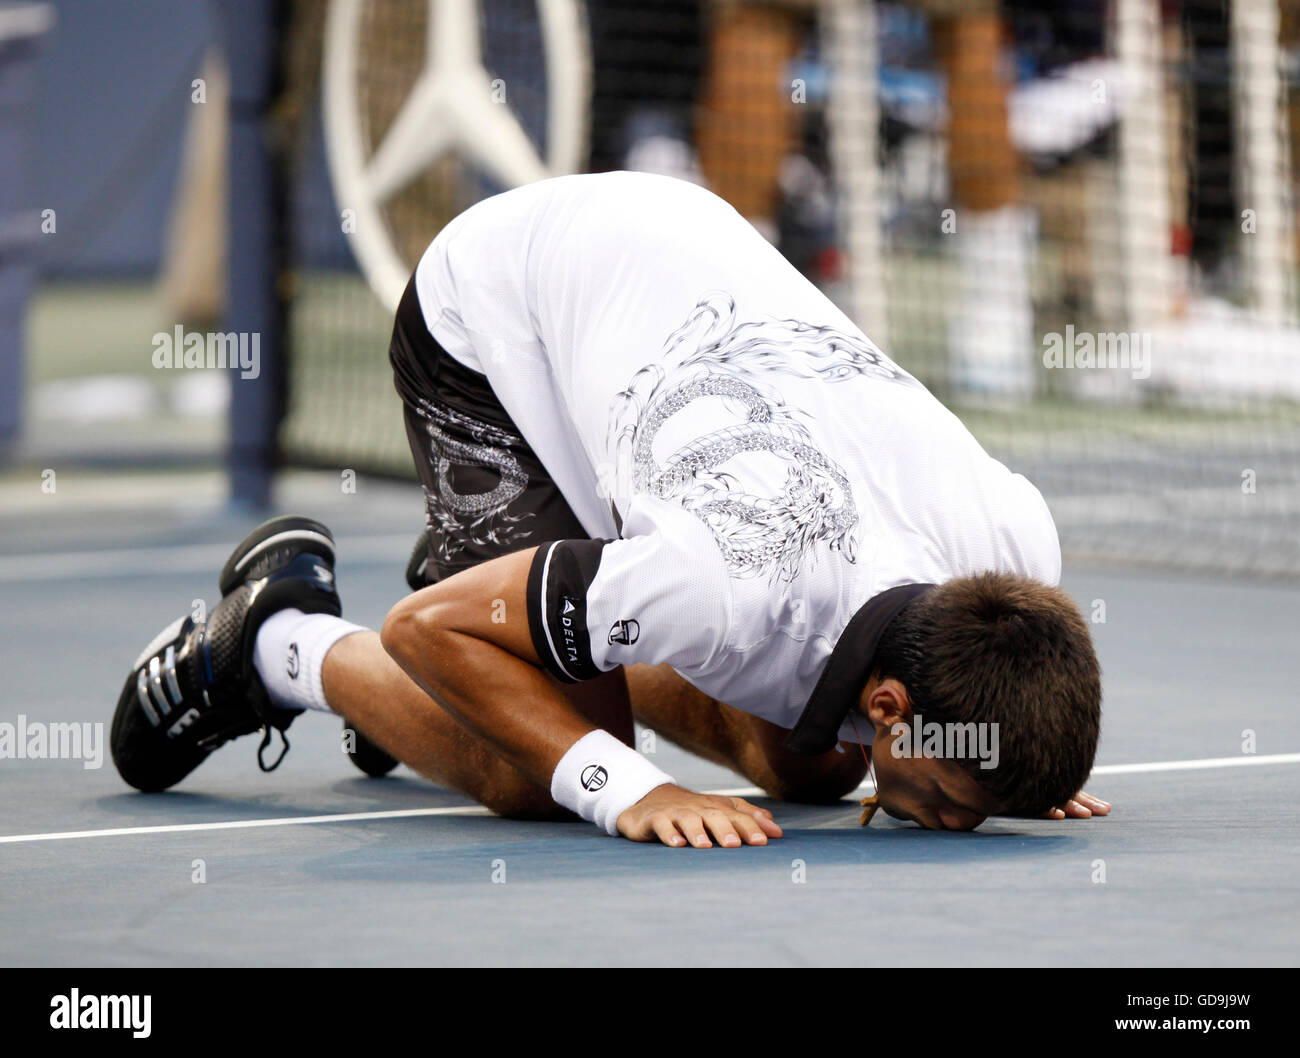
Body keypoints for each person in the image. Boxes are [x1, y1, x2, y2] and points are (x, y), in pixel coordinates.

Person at [111, 172, 1108, 847]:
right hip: (501, 308)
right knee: (530, 776)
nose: (944, 817)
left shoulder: (1014, 545)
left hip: (667, 258)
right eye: (942, 797)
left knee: (810, 769)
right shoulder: (726, 583)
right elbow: (424, 629)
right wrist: (625, 789)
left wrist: (1008, 757)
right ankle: (274, 640)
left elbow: (971, 705)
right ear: (896, 704)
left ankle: (527, 586)